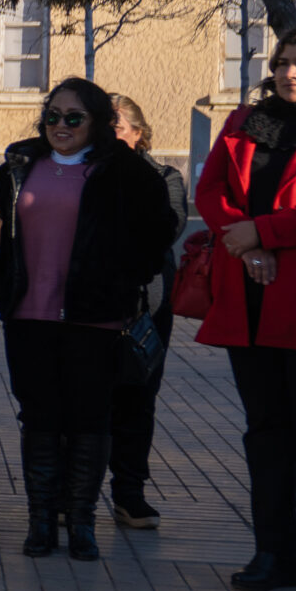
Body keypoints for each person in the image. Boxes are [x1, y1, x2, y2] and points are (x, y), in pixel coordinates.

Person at [0, 78, 178, 562]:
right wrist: (0, 286)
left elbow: (158, 233)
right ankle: (40, 523)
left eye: (74, 117)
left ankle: (81, 524)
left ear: (97, 122)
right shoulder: (19, 167)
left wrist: (122, 282)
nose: (61, 125)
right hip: (29, 315)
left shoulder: (126, 171)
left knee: (90, 419)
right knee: (39, 416)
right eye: (52, 115)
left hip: (96, 319)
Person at [191, 26, 296, 590]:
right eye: (283, 62)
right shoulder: (248, 122)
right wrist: (245, 241)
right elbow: (210, 189)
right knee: (265, 432)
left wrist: (262, 233)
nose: (289, 72)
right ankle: (274, 554)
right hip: (249, 296)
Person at [107, 94, 185, 531]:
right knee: (85, 400)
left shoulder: (164, 177)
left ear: (138, 133)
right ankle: (71, 497)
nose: (108, 135)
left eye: (117, 127)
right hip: (88, 305)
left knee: (137, 399)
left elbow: (168, 227)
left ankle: (129, 494)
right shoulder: (79, 173)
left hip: (145, 309)